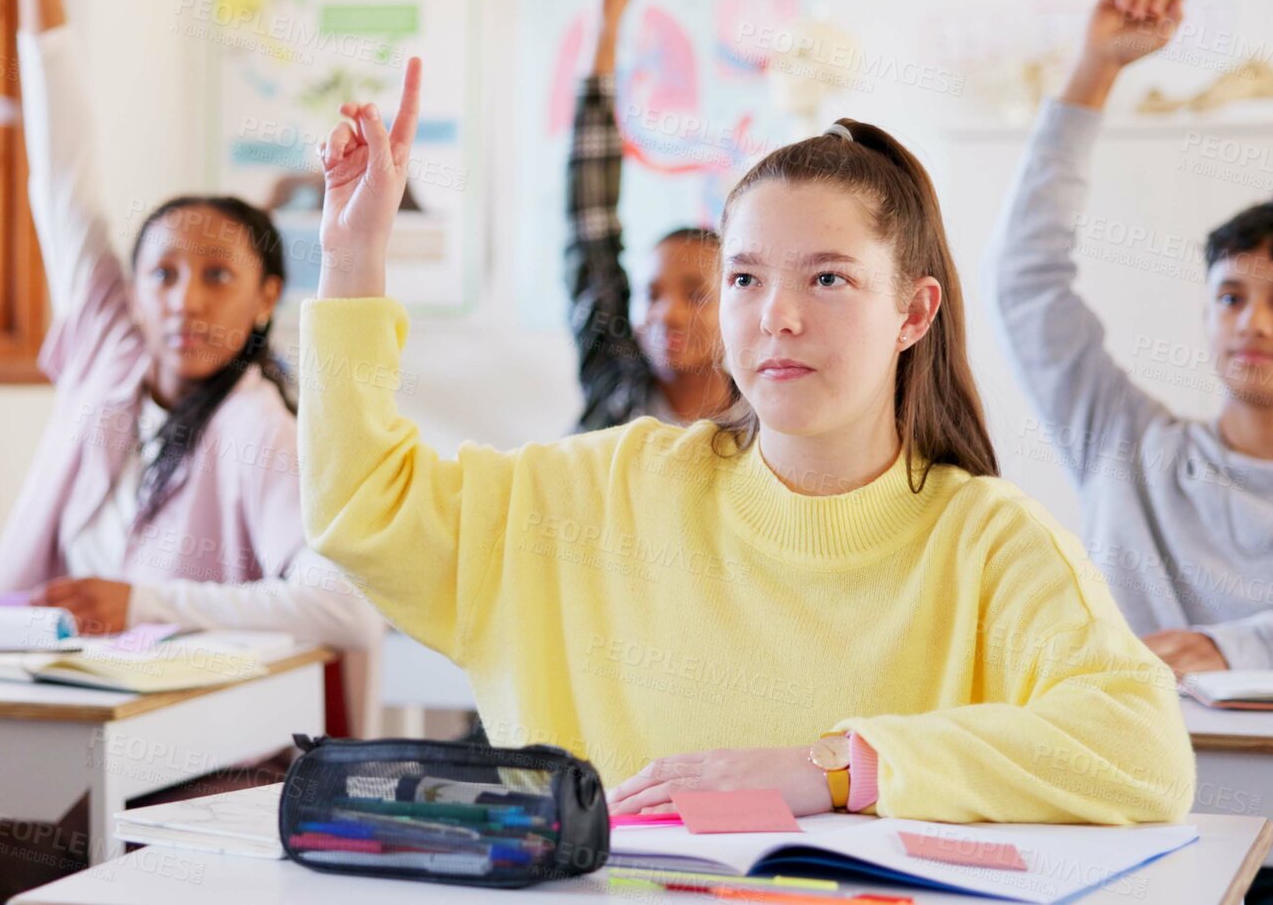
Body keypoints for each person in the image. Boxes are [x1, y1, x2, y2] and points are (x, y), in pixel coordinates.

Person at [297, 54, 1192, 823]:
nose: (778, 318)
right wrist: (350, 262)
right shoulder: (606, 489)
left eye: (829, 278)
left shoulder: (988, 539)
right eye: (744, 277)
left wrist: (834, 768)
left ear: (913, 313)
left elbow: (1144, 747)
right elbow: (361, 508)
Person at [0, 0, 383, 901]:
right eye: (162, 273)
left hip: (216, 757)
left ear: (268, 296)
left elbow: (341, 604)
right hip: (65, 715)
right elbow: (61, 169)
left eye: (218, 275)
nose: (183, 299)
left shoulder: (268, 429)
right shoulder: (106, 350)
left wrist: (142, 600)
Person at [990, 0, 1273, 678]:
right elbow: (1025, 280)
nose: (1252, 322)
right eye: (1230, 297)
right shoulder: (1125, 444)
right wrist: (1096, 69)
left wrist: (1233, 646)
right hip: (1125, 774)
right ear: (1205, 316)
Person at [569, 0, 733, 431]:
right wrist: (608, 22)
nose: (668, 314)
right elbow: (588, 226)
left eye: (696, 294)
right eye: (652, 295)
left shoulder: (768, 426)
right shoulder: (614, 384)